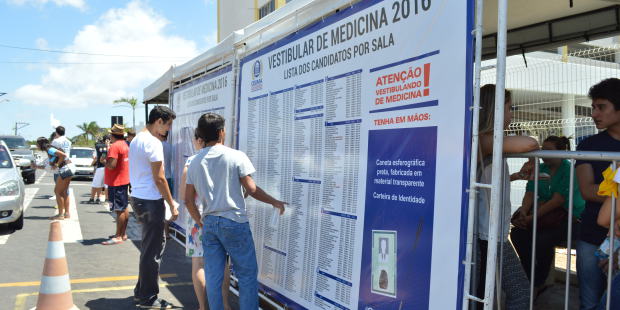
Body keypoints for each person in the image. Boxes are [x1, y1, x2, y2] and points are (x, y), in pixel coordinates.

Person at [184, 113, 286, 310]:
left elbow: (188, 199)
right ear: (221, 132)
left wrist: (199, 221)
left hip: (210, 224)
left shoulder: (194, 161)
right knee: (246, 275)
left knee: (214, 276)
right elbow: (252, 189)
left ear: (202, 135)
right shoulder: (236, 156)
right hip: (235, 222)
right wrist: (275, 202)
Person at [473, 84, 539, 310]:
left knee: (485, 295)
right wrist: (533, 155)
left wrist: (517, 174)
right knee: (515, 294)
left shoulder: (491, 142)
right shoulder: (483, 140)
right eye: (509, 108)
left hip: (493, 234)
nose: (512, 115)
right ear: (495, 109)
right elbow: (530, 143)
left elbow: (485, 182)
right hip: (485, 236)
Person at [510, 136, 585, 295]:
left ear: (561, 152)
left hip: (571, 217)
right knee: (517, 234)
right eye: (543, 149)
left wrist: (532, 218)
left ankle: (537, 282)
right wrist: (524, 211)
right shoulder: (541, 168)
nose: (543, 153)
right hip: (546, 216)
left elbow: (558, 200)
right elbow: (530, 192)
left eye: (549, 150)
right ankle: (531, 276)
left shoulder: (569, 170)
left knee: (543, 239)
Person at [575, 78, 620, 310]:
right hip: (592, 236)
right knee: (590, 301)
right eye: (593, 107)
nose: (594, 113)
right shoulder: (588, 145)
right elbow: (587, 190)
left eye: (601, 107)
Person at [129, 106, 179, 309]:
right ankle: (148, 298)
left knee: (149, 249)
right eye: (168, 125)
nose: (168, 129)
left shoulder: (137, 139)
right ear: (159, 121)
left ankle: (141, 292)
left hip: (139, 198)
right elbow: (160, 179)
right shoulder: (153, 143)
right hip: (151, 200)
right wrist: (171, 203)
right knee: (152, 252)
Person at [179, 130, 231, 310]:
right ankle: (225, 305)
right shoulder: (226, 159)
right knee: (222, 262)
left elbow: (184, 197)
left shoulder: (191, 162)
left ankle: (203, 307)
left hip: (197, 216)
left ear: (199, 140)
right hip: (221, 215)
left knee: (199, 263)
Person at [102, 125, 130, 245]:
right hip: (123, 180)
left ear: (113, 135)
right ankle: (122, 234)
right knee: (124, 208)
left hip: (116, 181)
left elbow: (112, 165)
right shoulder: (125, 144)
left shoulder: (115, 146)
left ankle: (118, 236)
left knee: (119, 210)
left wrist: (104, 161)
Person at [35, 137, 73, 220]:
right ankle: (66, 213)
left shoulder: (49, 150)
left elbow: (63, 155)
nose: (36, 145)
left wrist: (57, 164)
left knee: (57, 192)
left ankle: (60, 215)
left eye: (37, 144)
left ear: (41, 144)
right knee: (63, 192)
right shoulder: (50, 150)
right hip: (68, 169)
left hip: (64, 170)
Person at [87, 137, 108, 204]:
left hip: (100, 167)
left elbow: (96, 158)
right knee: (102, 184)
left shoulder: (97, 147)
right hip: (108, 167)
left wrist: (91, 164)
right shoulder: (108, 146)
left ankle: (92, 198)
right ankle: (99, 198)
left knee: (95, 184)